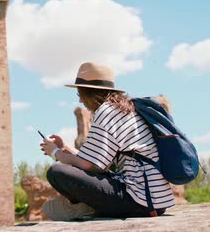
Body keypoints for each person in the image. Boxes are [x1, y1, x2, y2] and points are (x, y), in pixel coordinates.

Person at [40, 62, 175, 220]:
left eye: (80, 95)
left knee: (57, 172)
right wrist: (65, 148)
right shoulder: (124, 109)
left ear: (89, 93)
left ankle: (82, 207)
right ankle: (86, 207)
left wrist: (55, 153)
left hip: (139, 201)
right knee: (66, 168)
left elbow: (91, 166)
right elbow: (95, 161)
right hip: (155, 201)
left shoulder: (106, 112)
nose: (80, 102)